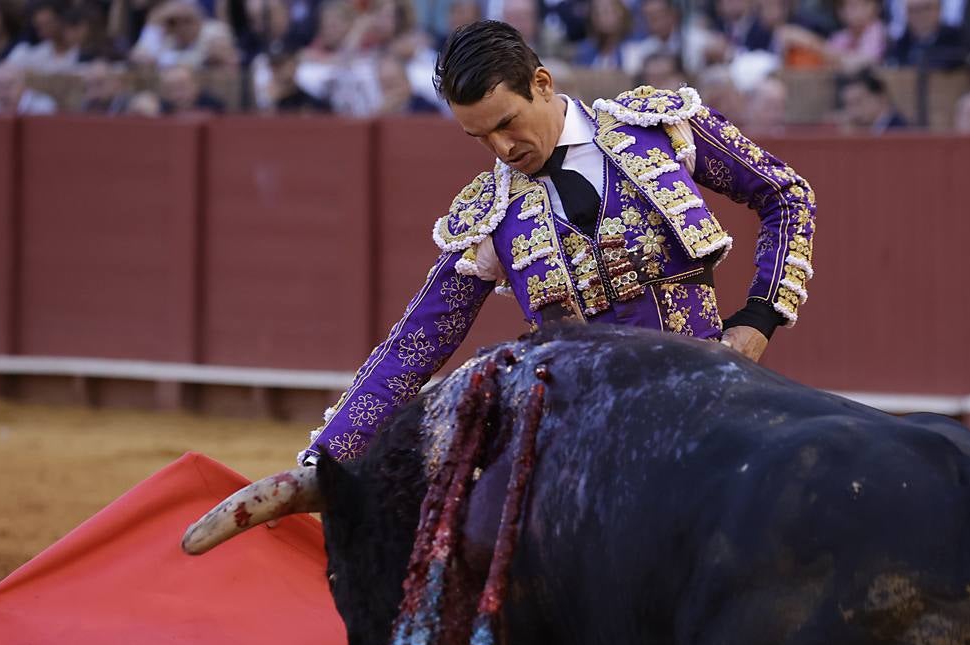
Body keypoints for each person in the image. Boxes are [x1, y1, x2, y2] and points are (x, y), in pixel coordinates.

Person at [301, 19, 816, 464]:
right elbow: (416, 341)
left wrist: (759, 319)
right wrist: (324, 457)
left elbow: (785, 194)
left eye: (506, 124)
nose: (501, 148)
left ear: (541, 84)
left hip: (709, 400)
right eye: (479, 137)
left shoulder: (655, 128)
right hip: (584, 440)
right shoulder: (488, 215)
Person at [832, 67, 909, 133]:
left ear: (881, 98)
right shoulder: (863, 130)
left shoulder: (899, 130)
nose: (853, 111)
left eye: (858, 102)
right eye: (848, 104)